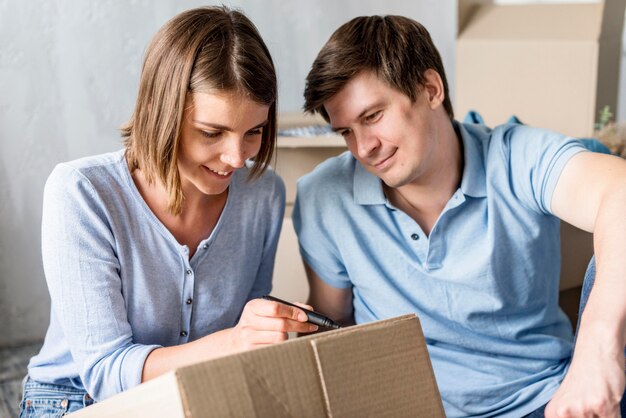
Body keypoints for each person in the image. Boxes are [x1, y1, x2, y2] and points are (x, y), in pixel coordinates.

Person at [293, 14, 626, 418]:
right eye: (345, 131)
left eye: (373, 116)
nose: (363, 148)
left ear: (431, 89)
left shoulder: (515, 156)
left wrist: (596, 349)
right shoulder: (324, 196)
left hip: (541, 401)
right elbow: (333, 320)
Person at [19, 6, 317, 416]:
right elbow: (105, 373)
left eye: (254, 132)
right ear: (163, 113)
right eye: (212, 133)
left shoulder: (262, 196)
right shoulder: (82, 193)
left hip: (195, 393)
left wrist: (268, 331)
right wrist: (234, 341)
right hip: (76, 398)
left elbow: (245, 338)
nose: (236, 157)